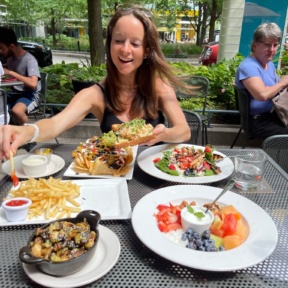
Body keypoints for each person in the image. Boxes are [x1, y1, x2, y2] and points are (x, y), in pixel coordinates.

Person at [0, 5, 191, 160]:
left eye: (135, 43)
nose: (125, 50)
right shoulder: (95, 94)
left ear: (146, 51)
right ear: (109, 45)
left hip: (155, 178)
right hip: (112, 177)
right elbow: (56, 124)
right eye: (118, 40)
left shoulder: (158, 85)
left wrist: (162, 134)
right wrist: (27, 132)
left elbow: (183, 131)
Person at [235, 22, 288, 139]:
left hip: (273, 115)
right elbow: (262, 95)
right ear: (254, 45)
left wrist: (274, 88)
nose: (272, 50)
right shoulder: (249, 67)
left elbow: (274, 90)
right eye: (267, 45)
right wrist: (282, 83)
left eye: (275, 45)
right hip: (258, 122)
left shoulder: (268, 64)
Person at [0, 27, 41, 126]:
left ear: (12, 46)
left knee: (17, 111)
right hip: (14, 94)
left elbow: (33, 83)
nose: (0, 52)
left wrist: (11, 72)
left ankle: (29, 135)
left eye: (2, 48)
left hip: (30, 95)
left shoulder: (29, 60)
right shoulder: (10, 59)